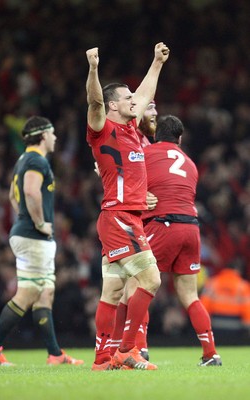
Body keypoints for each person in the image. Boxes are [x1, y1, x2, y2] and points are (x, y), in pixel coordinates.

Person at [86, 42, 169, 370]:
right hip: (120, 219)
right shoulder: (102, 130)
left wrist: (157, 62)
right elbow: (94, 100)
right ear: (113, 106)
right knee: (152, 280)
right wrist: (93, 69)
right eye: (128, 98)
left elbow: (145, 93)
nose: (137, 101)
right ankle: (128, 351)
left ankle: (102, 359)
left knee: (113, 291)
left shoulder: (133, 129)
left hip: (120, 216)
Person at [0, 116, 84, 366]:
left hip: (28, 234)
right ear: (42, 136)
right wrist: (37, 222)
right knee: (28, 293)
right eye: (52, 133)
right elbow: (29, 191)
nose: (55, 137)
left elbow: (12, 196)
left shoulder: (24, 160)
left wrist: (24, 218)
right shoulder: (36, 160)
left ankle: (55, 354)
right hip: (34, 236)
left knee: (44, 293)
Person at [142, 115, 222, 366]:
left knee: (140, 286)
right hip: (191, 228)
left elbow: (128, 184)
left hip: (163, 224)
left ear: (157, 135)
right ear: (180, 138)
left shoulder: (146, 154)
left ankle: (138, 350)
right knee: (189, 295)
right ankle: (211, 353)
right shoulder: (190, 164)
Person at [110, 101, 158, 361]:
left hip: (142, 220)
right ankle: (130, 348)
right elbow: (107, 171)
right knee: (135, 283)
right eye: (150, 108)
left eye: (155, 109)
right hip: (124, 219)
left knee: (132, 285)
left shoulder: (149, 145)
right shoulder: (125, 137)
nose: (154, 114)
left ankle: (121, 349)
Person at [200, 255, 250, 341]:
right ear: (238, 270)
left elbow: (203, 306)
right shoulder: (243, 286)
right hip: (236, 328)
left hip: (215, 326)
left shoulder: (212, 283)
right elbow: (247, 309)